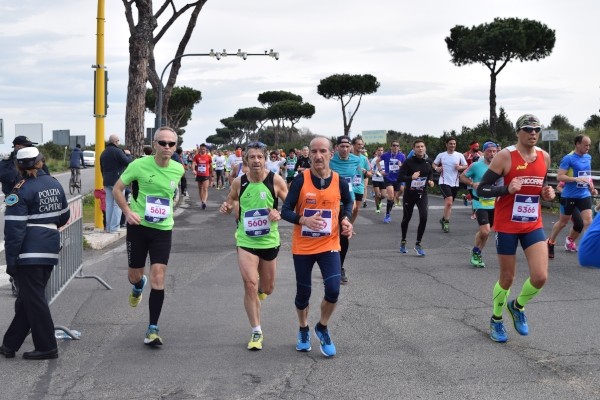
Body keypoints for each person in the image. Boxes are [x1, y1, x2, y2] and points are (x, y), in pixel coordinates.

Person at [477, 114, 555, 343]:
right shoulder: (505, 156)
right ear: (518, 132)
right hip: (507, 225)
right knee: (507, 278)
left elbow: (542, 187)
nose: (533, 133)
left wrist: (547, 194)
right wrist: (506, 190)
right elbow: (482, 189)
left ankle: (517, 306)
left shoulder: (544, 157)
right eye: (528, 129)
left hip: (532, 224)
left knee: (540, 276)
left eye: (537, 129)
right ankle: (497, 319)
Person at [281, 136, 353, 357]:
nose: (318, 155)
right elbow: (285, 210)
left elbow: (348, 201)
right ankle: (303, 328)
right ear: (309, 154)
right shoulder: (301, 180)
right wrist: (303, 220)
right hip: (303, 246)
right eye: (314, 151)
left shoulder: (339, 180)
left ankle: (322, 327)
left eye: (323, 151)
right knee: (304, 294)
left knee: (333, 290)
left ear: (331, 154)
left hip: (329, 243)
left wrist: (346, 220)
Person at [112, 127, 184, 346]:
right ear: (154, 144)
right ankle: (137, 285)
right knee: (135, 275)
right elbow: (117, 189)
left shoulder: (178, 169)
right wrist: (127, 212)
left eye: (171, 144)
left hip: (162, 230)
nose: (167, 147)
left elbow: (173, 194)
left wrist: (171, 205)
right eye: (163, 143)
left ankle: (152, 328)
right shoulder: (138, 165)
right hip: (138, 227)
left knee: (159, 276)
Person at [1, 147, 69, 360]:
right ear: (41, 161)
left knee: (34, 300)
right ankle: (9, 344)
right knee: (29, 299)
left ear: (18, 166)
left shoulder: (19, 190)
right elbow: (64, 215)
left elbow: (14, 229)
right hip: (49, 247)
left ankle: (47, 346)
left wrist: (11, 261)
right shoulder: (54, 183)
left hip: (28, 253)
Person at [219, 142, 288, 351]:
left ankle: (261, 290)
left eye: (260, 157)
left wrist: (280, 213)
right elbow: (231, 199)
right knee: (249, 284)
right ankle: (256, 330)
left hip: (269, 241)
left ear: (265, 159)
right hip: (246, 240)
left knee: (267, 288)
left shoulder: (275, 180)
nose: (256, 160)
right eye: (252, 157)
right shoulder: (239, 182)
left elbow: (293, 205)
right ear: (246, 161)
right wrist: (227, 206)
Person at [547, 135, 597, 258]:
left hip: (584, 194)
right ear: (577, 144)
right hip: (569, 195)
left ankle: (587, 248)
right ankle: (550, 242)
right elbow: (559, 177)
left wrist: (591, 186)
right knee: (563, 223)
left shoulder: (588, 157)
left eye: (589, 145)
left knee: (588, 221)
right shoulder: (568, 159)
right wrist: (575, 179)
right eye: (586, 145)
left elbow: (587, 175)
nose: (588, 148)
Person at [459, 141, 498, 267]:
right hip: (479, 202)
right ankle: (476, 251)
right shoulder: (476, 165)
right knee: (485, 231)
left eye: (494, 151)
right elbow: (462, 176)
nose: (492, 153)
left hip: (495, 203)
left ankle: (478, 252)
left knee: (486, 232)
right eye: (489, 151)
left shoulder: (500, 166)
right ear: (484, 151)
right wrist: (472, 184)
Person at [329, 135, 362, 284]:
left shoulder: (356, 160)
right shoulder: (329, 160)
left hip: (347, 202)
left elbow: (355, 179)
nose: (345, 149)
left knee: (343, 236)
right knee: (330, 235)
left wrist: (353, 197)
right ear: (336, 148)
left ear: (351, 147)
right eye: (342, 146)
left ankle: (339, 267)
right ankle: (329, 266)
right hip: (330, 202)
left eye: (347, 146)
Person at [397, 139, 434, 256]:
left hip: (422, 193)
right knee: (407, 218)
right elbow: (400, 177)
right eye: (417, 146)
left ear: (425, 148)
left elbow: (430, 173)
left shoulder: (428, 161)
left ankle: (418, 243)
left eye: (422, 146)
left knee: (424, 217)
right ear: (414, 149)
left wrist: (431, 181)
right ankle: (403, 241)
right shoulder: (408, 162)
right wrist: (411, 177)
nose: (420, 148)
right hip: (410, 194)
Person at [433, 136, 468, 233]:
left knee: (450, 204)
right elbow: (434, 164)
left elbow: (466, 165)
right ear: (446, 144)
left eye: (454, 144)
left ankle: (443, 219)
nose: (452, 145)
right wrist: (437, 169)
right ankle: (446, 222)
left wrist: (460, 167)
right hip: (444, 181)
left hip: (455, 182)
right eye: (450, 144)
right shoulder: (441, 155)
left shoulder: (459, 155)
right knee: (448, 202)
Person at [100, 134, 131, 233]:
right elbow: (127, 162)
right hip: (117, 182)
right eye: (118, 141)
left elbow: (102, 168)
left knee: (109, 204)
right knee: (118, 204)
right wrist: (128, 154)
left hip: (106, 181)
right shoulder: (117, 151)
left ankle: (108, 227)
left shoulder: (103, 153)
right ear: (116, 141)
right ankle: (114, 227)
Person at [376, 141, 406, 223]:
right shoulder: (386, 155)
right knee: (391, 194)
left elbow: (406, 166)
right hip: (388, 177)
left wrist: (401, 166)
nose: (395, 147)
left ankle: (388, 213)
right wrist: (381, 170)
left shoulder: (402, 156)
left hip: (397, 178)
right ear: (391, 147)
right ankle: (387, 215)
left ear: (399, 147)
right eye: (394, 145)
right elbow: (377, 161)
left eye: (397, 145)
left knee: (392, 198)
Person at [351, 137, 372, 213]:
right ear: (353, 145)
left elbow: (370, 174)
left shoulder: (364, 159)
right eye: (358, 144)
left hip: (359, 187)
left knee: (356, 210)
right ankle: (346, 224)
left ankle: (350, 224)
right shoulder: (348, 157)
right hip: (348, 187)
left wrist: (365, 172)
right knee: (349, 208)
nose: (360, 146)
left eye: (361, 144)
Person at [192, 143, 212, 210]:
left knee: (205, 189)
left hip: (206, 174)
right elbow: (193, 163)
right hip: (199, 174)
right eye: (201, 149)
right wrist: (193, 169)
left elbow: (211, 165)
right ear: (200, 149)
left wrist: (212, 173)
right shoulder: (197, 156)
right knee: (200, 188)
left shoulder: (208, 157)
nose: (203, 150)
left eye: (204, 149)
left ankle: (204, 202)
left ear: (206, 149)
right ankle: (202, 201)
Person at [370, 146, 385, 214]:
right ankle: (377, 207)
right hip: (375, 179)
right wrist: (376, 172)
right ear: (377, 151)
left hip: (383, 179)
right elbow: (370, 170)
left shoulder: (385, 159)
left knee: (383, 196)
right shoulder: (374, 160)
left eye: (381, 150)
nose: (380, 151)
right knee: (377, 194)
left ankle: (380, 202)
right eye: (379, 150)